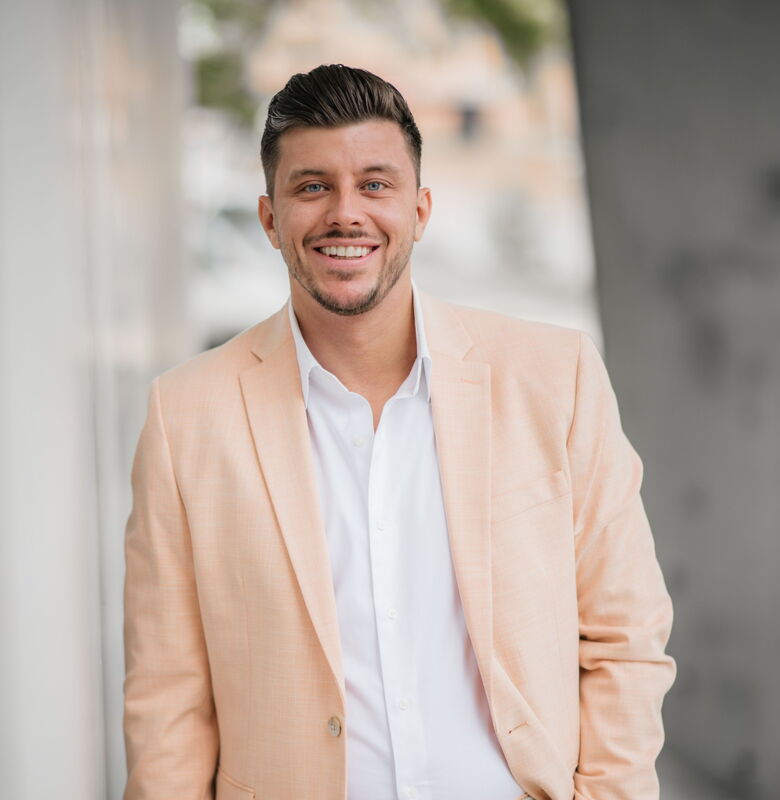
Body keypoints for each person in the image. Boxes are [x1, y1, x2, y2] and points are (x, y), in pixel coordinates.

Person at [123, 64, 676, 800]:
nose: (345, 213)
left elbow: (624, 635)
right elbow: (169, 696)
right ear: (270, 218)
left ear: (419, 211)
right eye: (312, 186)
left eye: (374, 184)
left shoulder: (555, 377)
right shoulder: (186, 415)